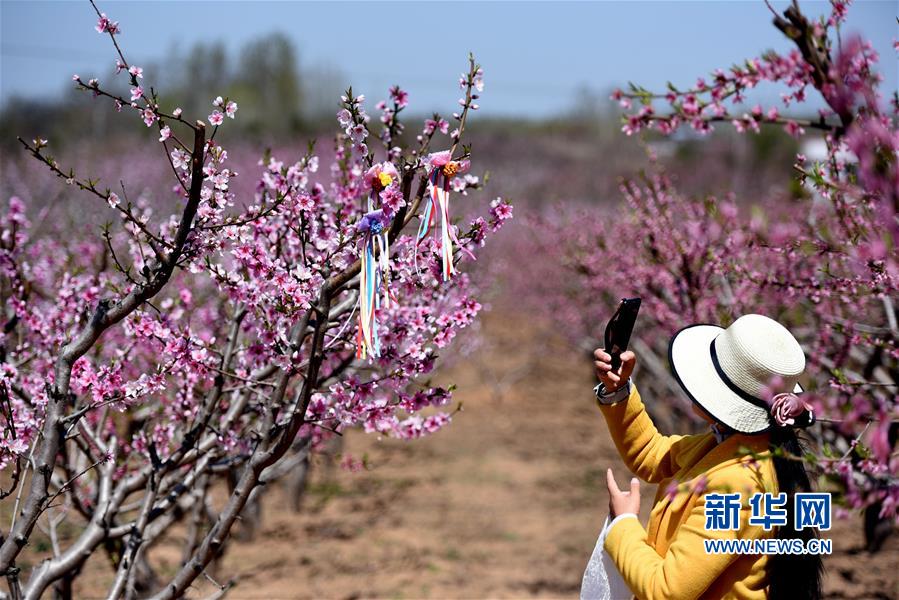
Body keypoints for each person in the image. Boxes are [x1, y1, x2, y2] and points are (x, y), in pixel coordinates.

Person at [593, 314, 823, 600]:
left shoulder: (739, 485)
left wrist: (624, 525)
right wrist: (618, 391)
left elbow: (666, 591)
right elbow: (652, 455)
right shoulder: (727, 445)